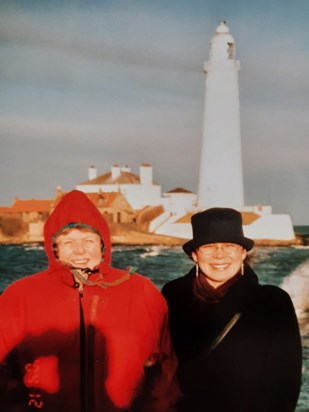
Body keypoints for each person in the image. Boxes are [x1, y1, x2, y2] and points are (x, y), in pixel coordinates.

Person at [0, 190, 179, 412]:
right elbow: (3, 367)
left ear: (103, 244)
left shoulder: (141, 290)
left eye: (88, 240)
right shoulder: (20, 295)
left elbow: (164, 368)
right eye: (68, 242)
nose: (79, 250)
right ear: (52, 247)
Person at [162, 208, 302, 412]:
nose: (219, 255)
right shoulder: (173, 295)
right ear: (194, 255)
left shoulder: (272, 301)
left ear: (243, 253)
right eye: (209, 247)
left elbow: (286, 380)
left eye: (229, 246)